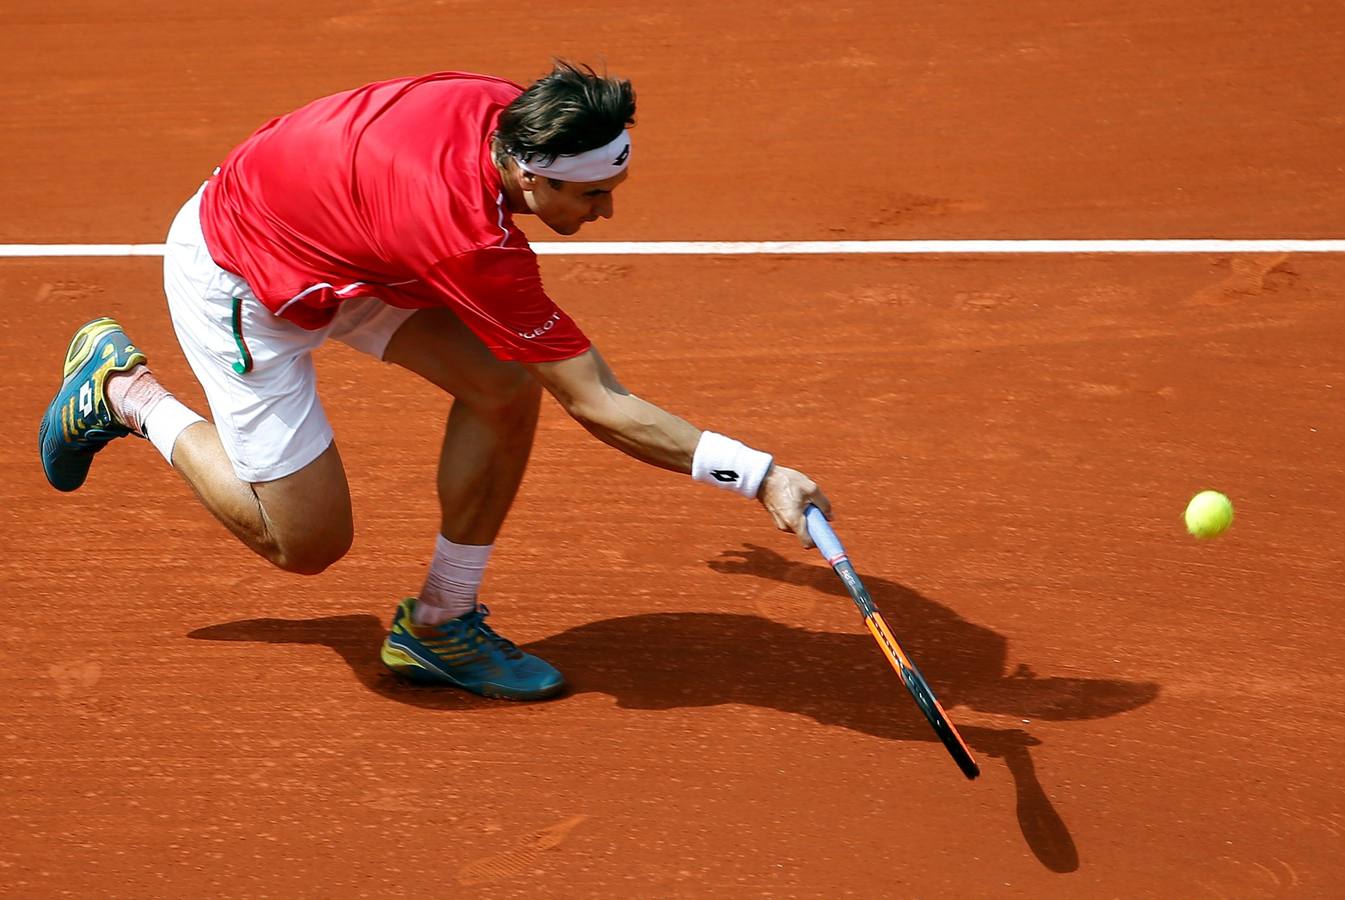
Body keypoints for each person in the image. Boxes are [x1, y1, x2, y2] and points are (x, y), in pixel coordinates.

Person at [38, 61, 831, 701]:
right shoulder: (467, 240)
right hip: (246, 275)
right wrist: (757, 476)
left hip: (351, 239)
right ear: (531, 178)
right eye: (591, 195)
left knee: (504, 385)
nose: (606, 213)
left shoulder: (508, 112)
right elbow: (599, 402)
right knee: (307, 543)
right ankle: (123, 393)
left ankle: (441, 623)